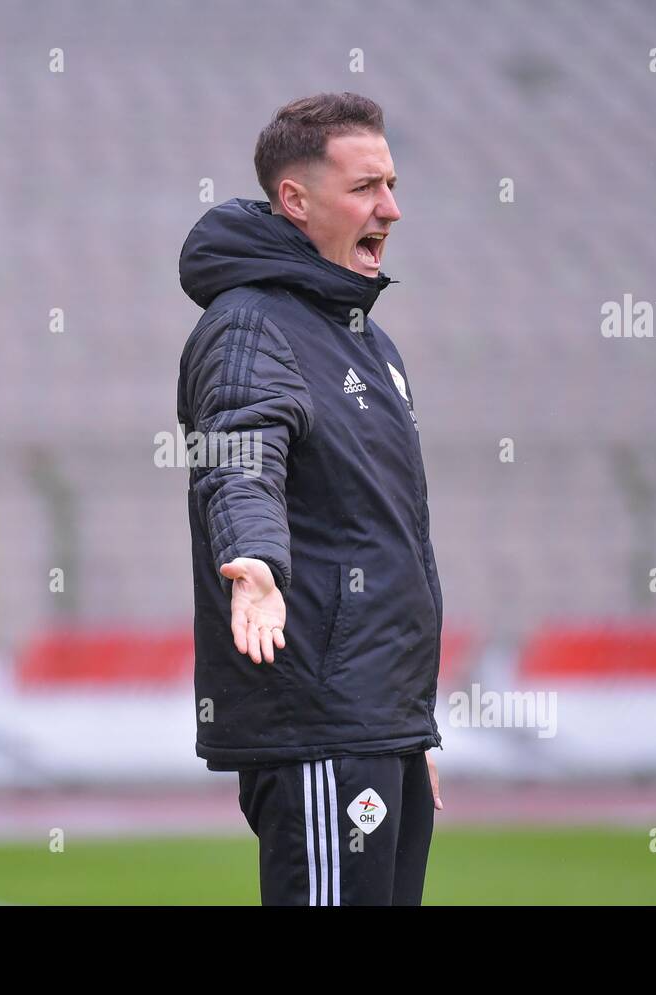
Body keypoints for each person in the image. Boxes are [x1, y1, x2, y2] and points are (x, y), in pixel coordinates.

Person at [177, 92, 444, 905]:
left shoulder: (363, 338)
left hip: (374, 718)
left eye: (392, 184)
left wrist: (405, 720)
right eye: (366, 187)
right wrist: (253, 559)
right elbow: (238, 452)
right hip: (322, 719)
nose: (391, 209)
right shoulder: (252, 324)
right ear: (296, 199)